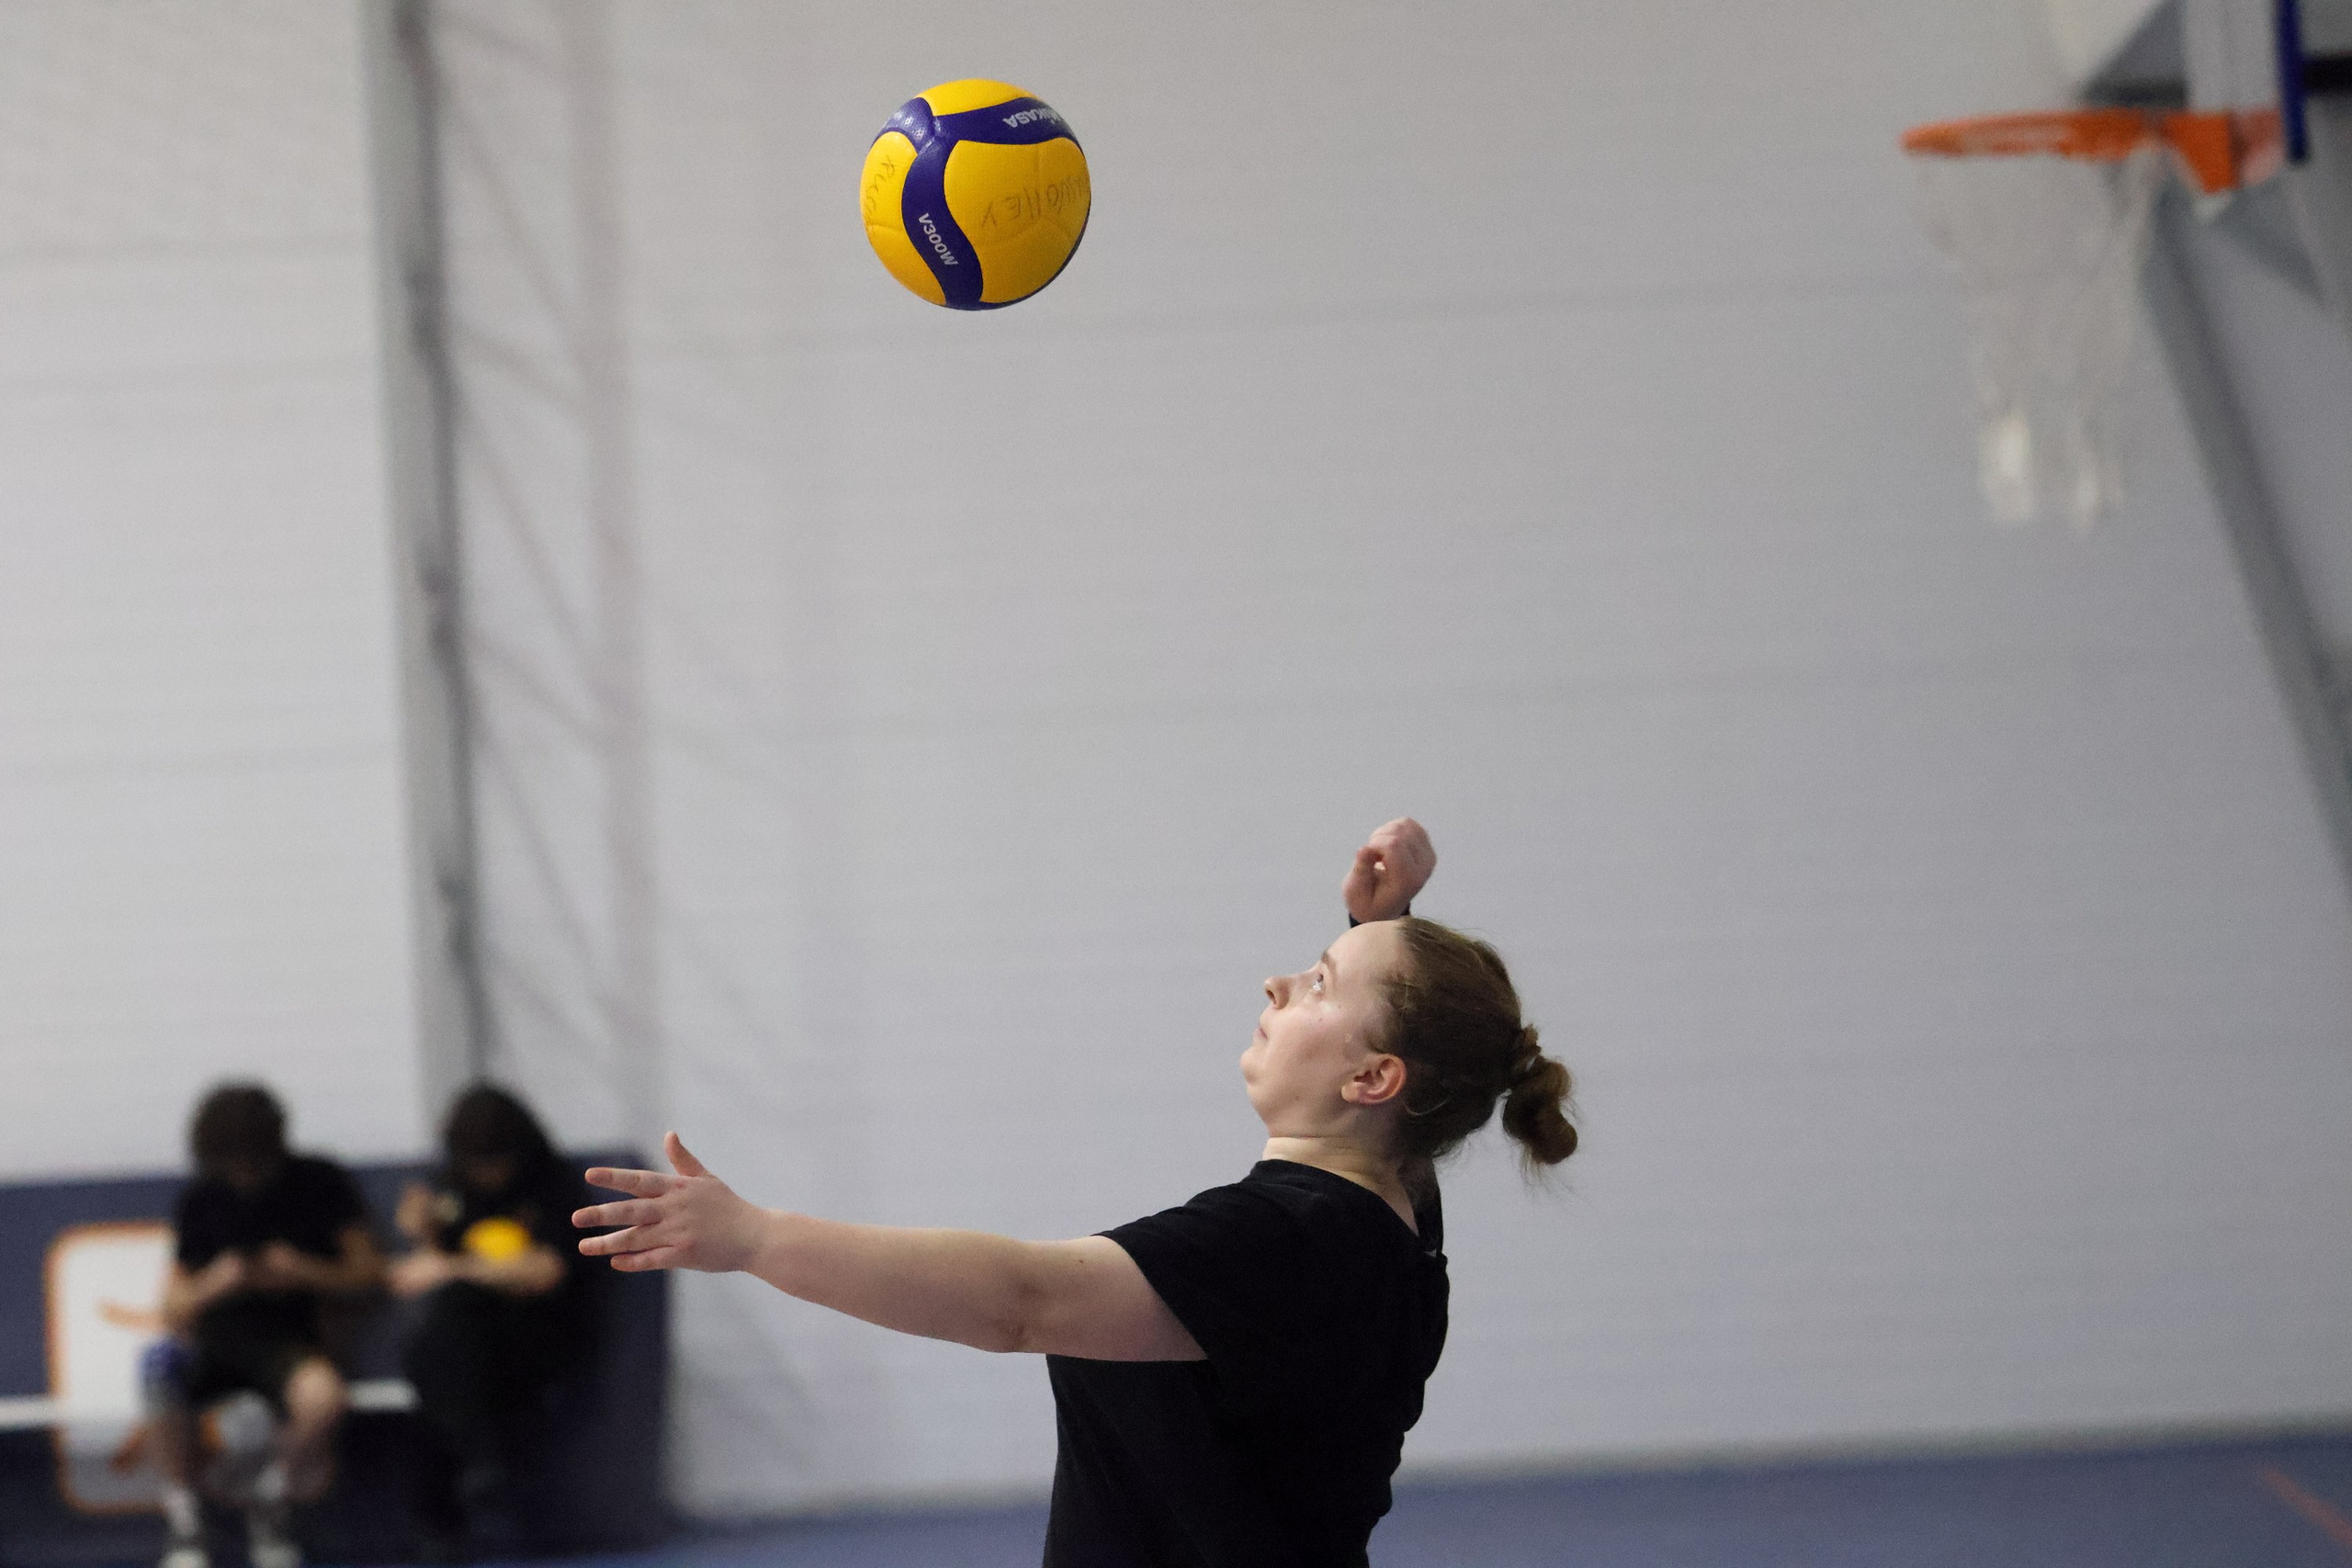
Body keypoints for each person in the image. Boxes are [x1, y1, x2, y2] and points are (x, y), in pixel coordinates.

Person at [574, 818, 1577, 1567]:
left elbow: (1020, 1304)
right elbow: (1413, 1075)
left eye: (1316, 983)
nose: (1277, 986)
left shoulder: (1281, 1242)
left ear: (1371, 1080)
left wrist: (754, 1237)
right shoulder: (1394, 1218)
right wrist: (1378, 930)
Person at [151, 1084, 383, 1568]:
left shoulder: (320, 1183)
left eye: (254, 1162)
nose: (244, 1174)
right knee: (157, 1370)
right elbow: (172, 1307)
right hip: (215, 1341)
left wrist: (304, 1270)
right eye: (232, 1164)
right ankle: (186, 1524)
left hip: (289, 1343)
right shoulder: (201, 1199)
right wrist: (216, 1281)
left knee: (322, 1397)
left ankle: (271, 1501)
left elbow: (369, 1273)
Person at [390, 1083, 589, 1555]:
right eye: (476, 1163)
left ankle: (482, 1465)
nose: (487, 1174)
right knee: (437, 1352)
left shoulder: (552, 1186)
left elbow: (547, 1270)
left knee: (446, 1352)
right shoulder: (453, 1190)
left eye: (495, 1161)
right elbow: (420, 1271)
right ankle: (473, 1475)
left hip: (541, 1333)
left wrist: (453, 1266)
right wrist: (421, 1231)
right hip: (464, 1342)